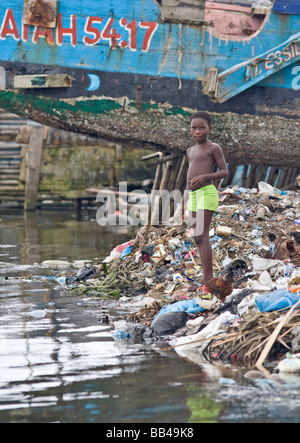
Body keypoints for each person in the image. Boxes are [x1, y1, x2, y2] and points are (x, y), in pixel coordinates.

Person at [182, 111, 228, 285]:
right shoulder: (190, 151)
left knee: (203, 234)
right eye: (194, 128)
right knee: (197, 237)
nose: (197, 131)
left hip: (207, 192)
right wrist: (182, 204)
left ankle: (208, 277)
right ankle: (205, 275)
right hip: (192, 195)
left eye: (202, 128)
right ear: (190, 129)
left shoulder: (214, 148)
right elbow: (188, 180)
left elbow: (224, 171)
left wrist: (205, 177)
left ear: (210, 128)